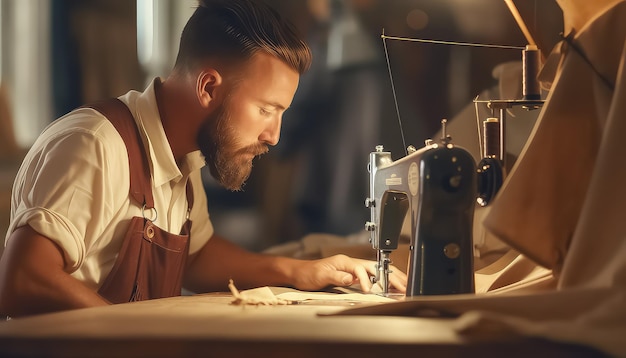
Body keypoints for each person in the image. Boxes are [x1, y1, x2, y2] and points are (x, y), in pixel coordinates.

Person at [0, 0, 407, 317]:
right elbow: (22, 281)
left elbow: (196, 255)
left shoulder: (184, 157)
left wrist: (300, 271)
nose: (274, 136)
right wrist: (139, 338)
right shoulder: (94, 145)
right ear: (209, 87)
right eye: (266, 110)